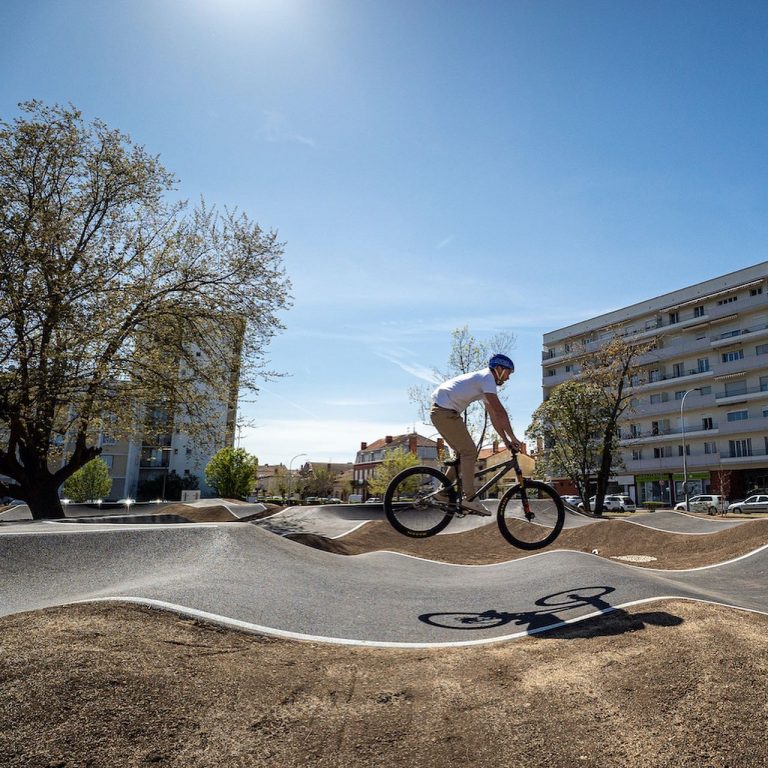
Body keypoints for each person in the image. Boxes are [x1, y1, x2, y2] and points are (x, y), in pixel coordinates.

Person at [430, 354, 523, 516]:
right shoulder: (487, 378)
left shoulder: (484, 383)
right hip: (445, 413)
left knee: (463, 454)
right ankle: (470, 498)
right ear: (499, 369)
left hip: (443, 412)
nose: (508, 378)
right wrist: (514, 438)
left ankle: (443, 492)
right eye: (508, 373)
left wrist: (505, 440)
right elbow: (500, 412)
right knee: (470, 452)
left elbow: (494, 416)